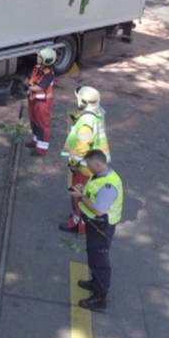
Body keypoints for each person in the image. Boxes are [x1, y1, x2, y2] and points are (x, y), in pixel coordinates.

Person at [71, 149, 123, 311]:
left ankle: (100, 299)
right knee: (93, 257)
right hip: (95, 226)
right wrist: (83, 189)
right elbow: (94, 192)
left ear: (98, 164)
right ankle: (95, 283)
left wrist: (81, 196)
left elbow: (99, 209)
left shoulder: (108, 185)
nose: (88, 168)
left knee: (100, 262)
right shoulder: (101, 175)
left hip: (102, 228)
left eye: (89, 165)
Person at [60, 86, 111, 234]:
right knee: (87, 194)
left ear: (83, 101)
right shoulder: (97, 112)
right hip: (95, 165)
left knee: (79, 196)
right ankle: (82, 220)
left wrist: (73, 163)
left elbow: (81, 148)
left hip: (84, 167)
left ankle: (78, 224)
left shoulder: (86, 122)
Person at [25, 48, 57, 157]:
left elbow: (39, 87)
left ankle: (41, 149)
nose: (37, 58)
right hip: (33, 100)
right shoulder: (38, 68)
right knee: (34, 122)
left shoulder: (49, 75)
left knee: (42, 125)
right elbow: (32, 79)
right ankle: (35, 141)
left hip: (43, 103)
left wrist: (27, 87)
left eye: (39, 57)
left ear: (45, 60)